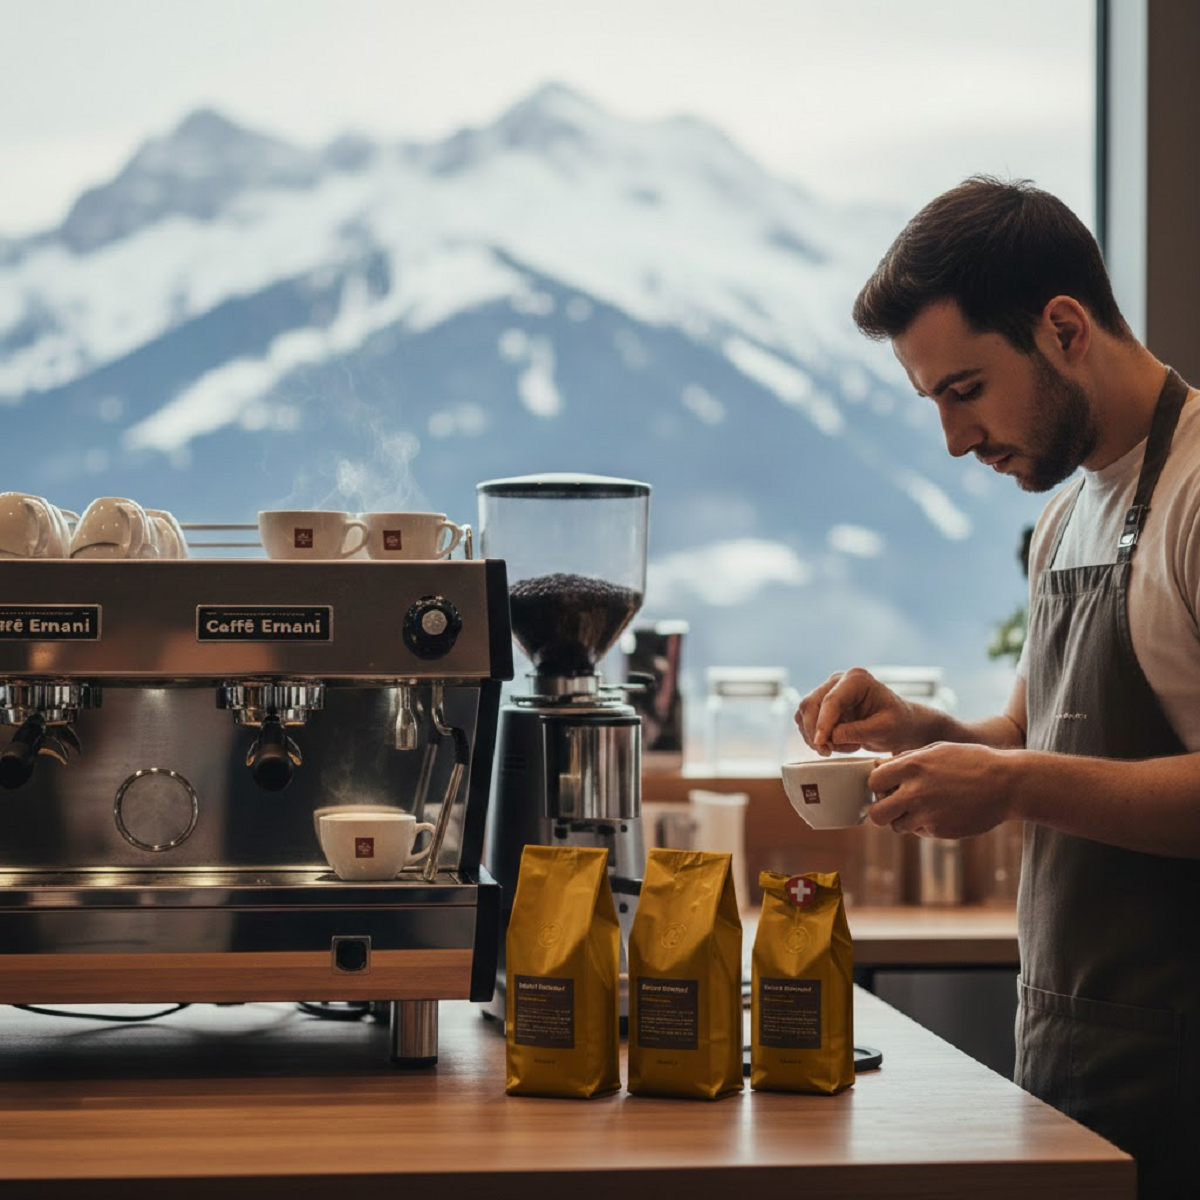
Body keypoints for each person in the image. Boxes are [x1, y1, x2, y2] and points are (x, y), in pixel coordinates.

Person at [795, 176, 1199, 1198]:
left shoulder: (1197, 494)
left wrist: (1011, 785)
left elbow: (1031, 772)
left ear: (1064, 328)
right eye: (934, 402)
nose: (954, 441)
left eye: (965, 391)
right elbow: (1027, 733)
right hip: (1071, 1056)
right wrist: (922, 733)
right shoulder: (1067, 522)